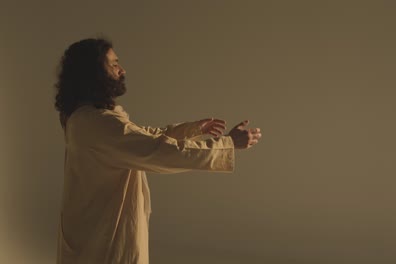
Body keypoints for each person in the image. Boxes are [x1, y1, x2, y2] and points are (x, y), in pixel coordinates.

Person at [54, 38, 262, 264]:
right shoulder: (99, 123)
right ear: (93, 72)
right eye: (113, 64)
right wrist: (228, 143)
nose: (122, 70)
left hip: (95, 237)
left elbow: (141, 136)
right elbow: (159, 151)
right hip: (104, 245)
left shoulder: (87, 117)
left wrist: (192, 129)